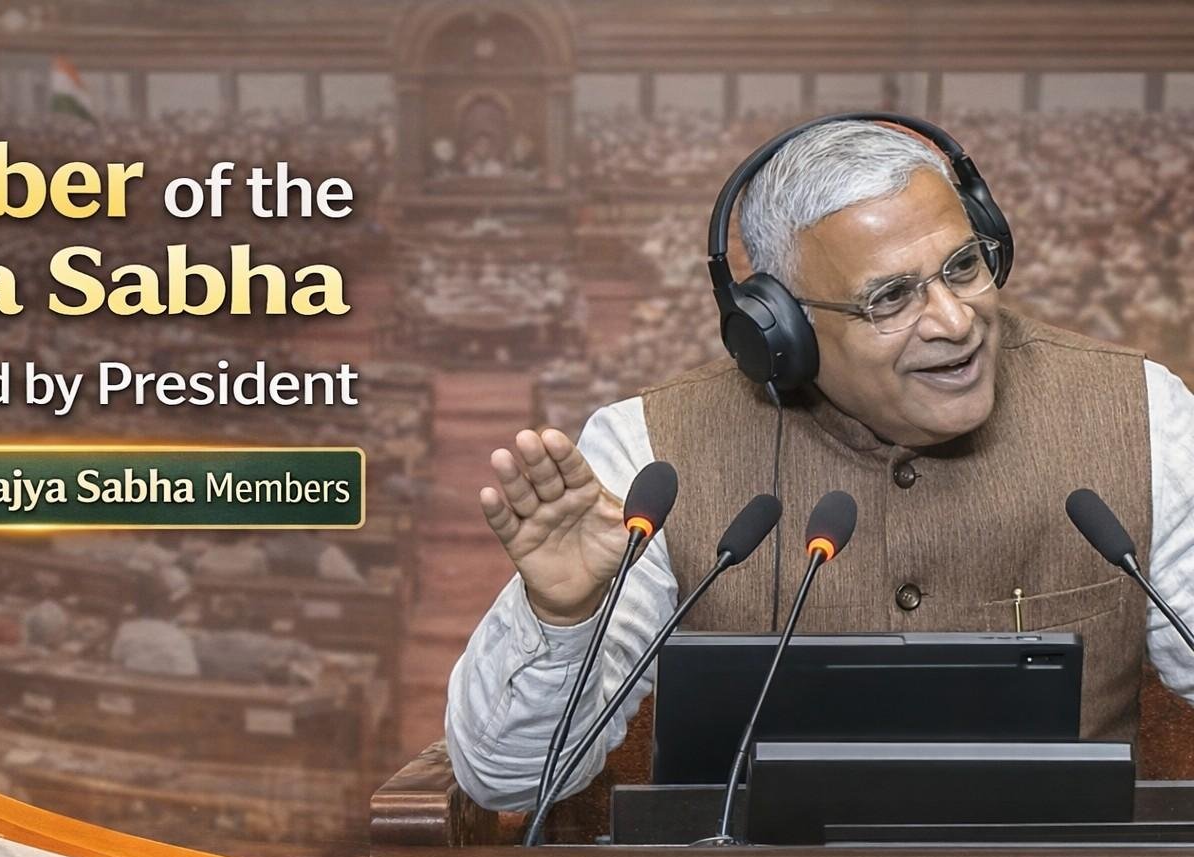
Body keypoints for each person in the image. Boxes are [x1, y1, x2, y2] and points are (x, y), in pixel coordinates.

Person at [446, 118, 1194, 813]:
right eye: (891, 297)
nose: (955, 321)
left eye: (964, 266)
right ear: (782, 329)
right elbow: (508, 783)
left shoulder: (1140, 412)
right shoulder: (648, 452)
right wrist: (564, 618)